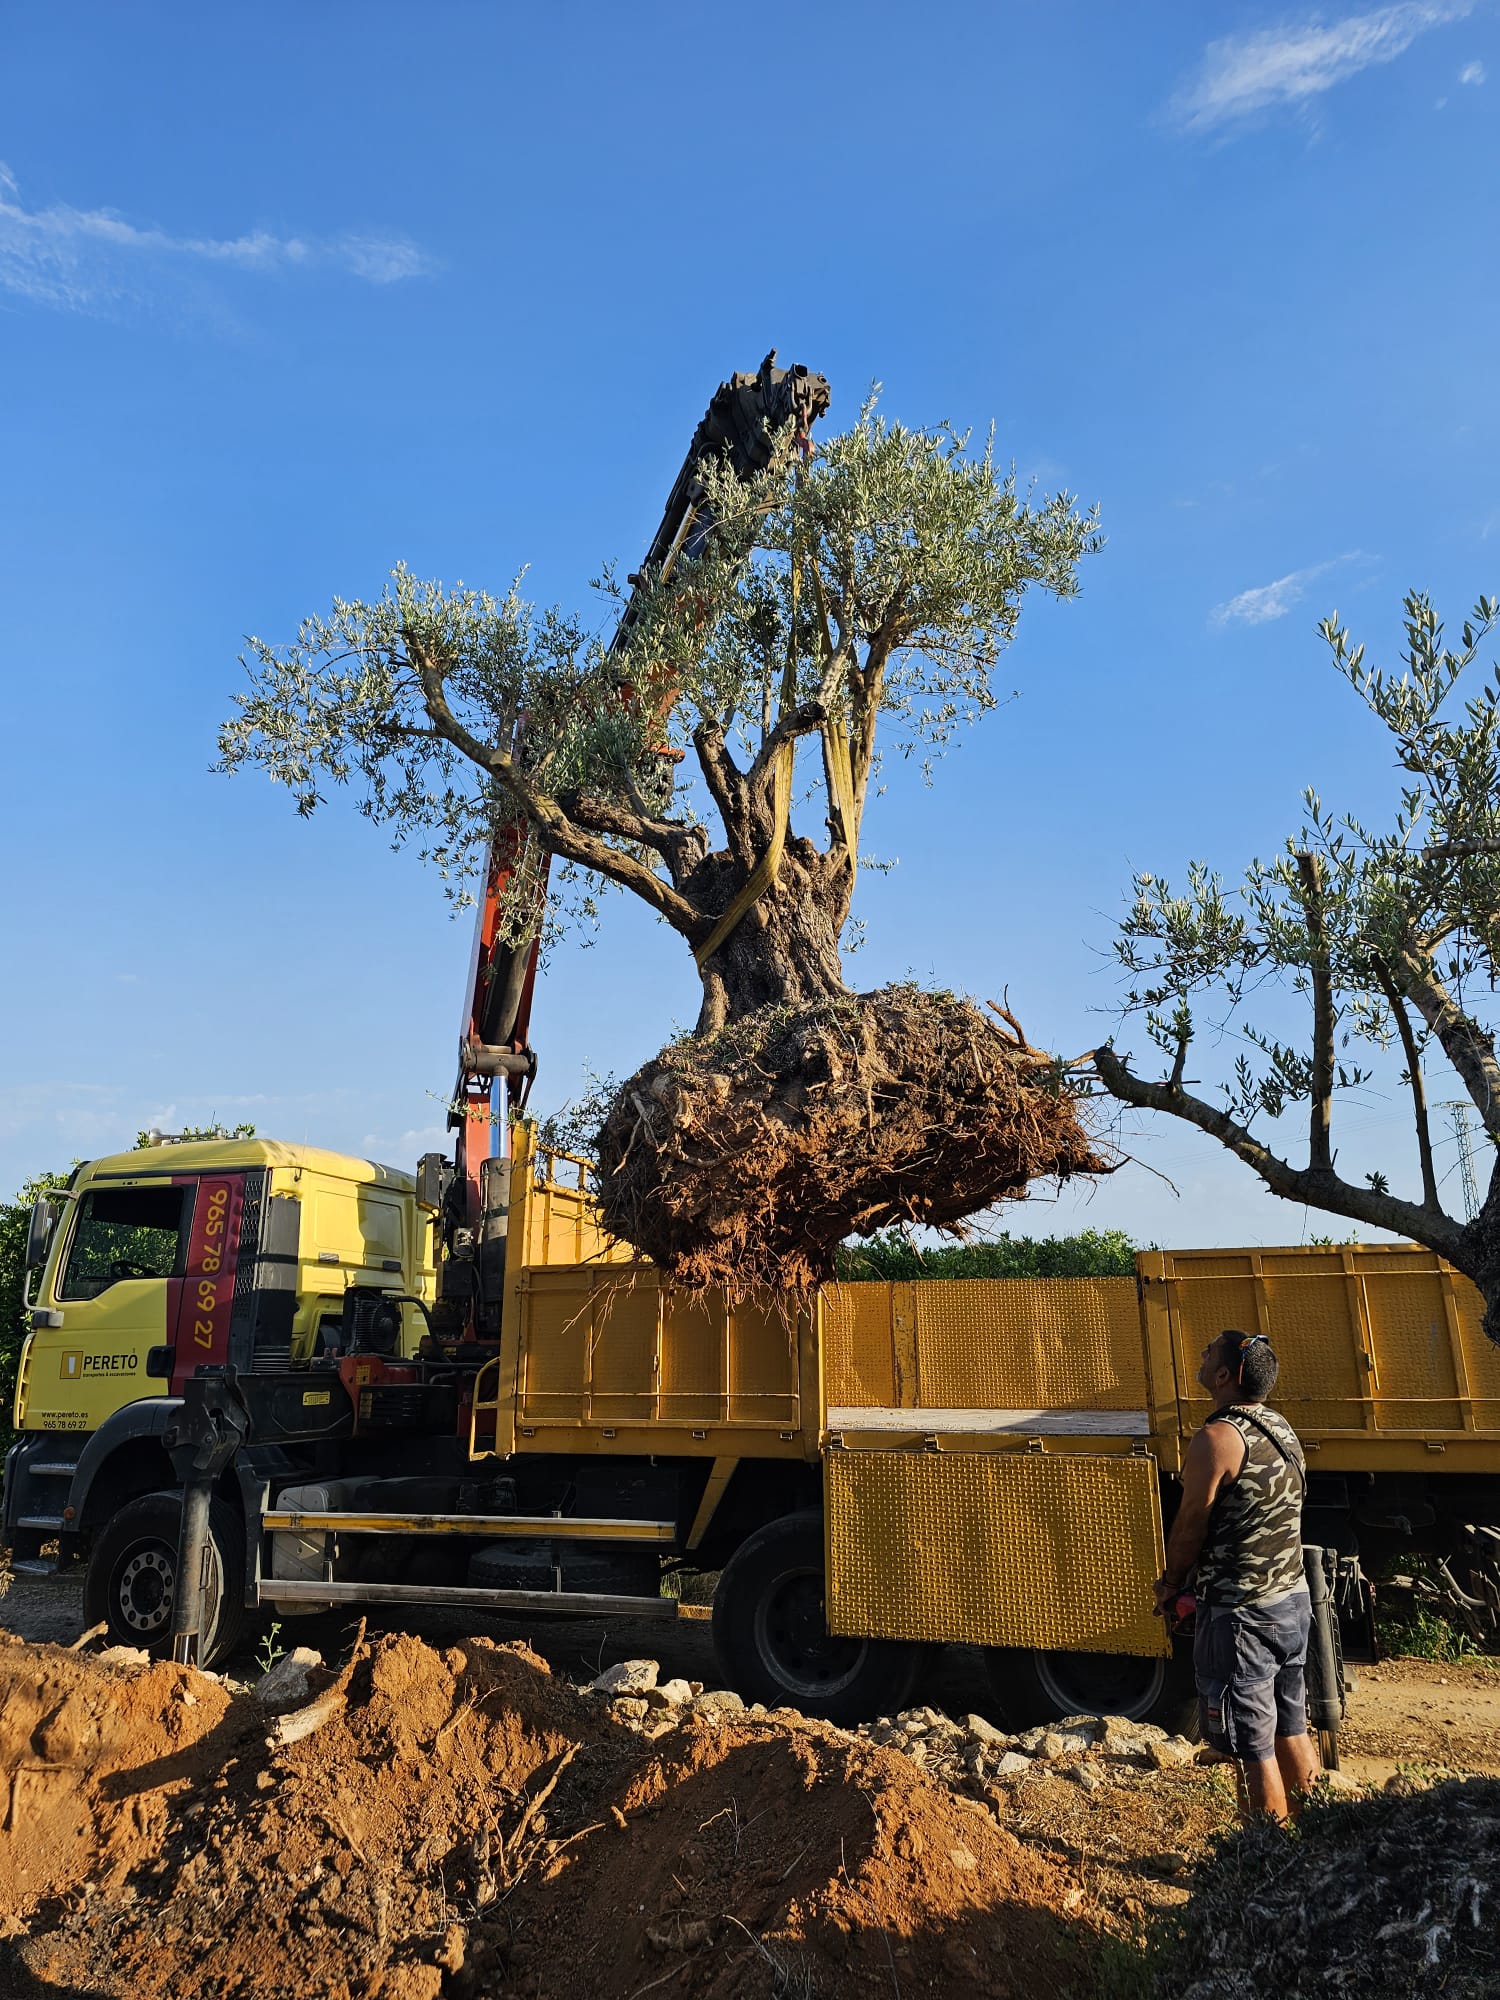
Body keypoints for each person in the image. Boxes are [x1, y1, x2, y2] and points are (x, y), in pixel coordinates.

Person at [1153, 1328, 1321, 1820]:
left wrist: (1170, 1584)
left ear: (1225, 1375)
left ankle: (1260, 1861)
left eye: (1208, 1353)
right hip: (1291, 1603)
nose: (1201, 1356)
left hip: (1242, 1616)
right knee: (1291, 1726)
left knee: (1251, 1746)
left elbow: (1188, 1528)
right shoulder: (1281, 1427)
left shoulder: (1217, 1439)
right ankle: (1320, 1835)